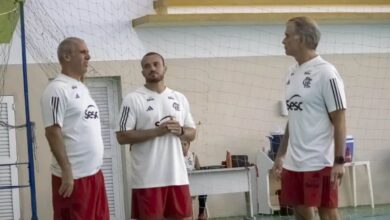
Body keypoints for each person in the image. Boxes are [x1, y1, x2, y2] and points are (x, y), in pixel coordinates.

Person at [272, 17, 347, 220]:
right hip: (294, 162)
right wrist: (281, 154)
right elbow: (294, 118)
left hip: (319, 160)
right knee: (301, 212)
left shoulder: (327, 73)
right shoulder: (291, 73)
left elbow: (339, 120)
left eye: (287, 35)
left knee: (327, 212)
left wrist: (339, 161)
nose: (283, 40)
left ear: (302, 39)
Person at [116, 52, 196, 220]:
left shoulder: (179, 98)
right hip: (148, 179)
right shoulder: (133, 99)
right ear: (143, 73)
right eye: (147, 66)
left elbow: (192, 132)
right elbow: (122, 136)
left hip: (177, 177)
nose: (152, 68)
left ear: (164, 68)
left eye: (156, 64)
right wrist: (157, 132)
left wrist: (181, 131)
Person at [41, 37, 109, 220]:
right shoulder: (56, 89)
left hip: (94, 175)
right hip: (74, 178)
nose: (89, 56)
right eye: (83, 52)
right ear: (66, 56)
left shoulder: (81, 88)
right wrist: (67, 171)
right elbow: (52, 131)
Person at [181, 140, 208, 220]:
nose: (182, 147)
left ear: (189, 145)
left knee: (204, 188)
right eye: (180, 145)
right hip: (182, 186)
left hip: (193, 184)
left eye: (185, 144)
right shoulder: (176, 157)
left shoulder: (193, 155)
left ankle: (201, 214)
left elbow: (199, 171)